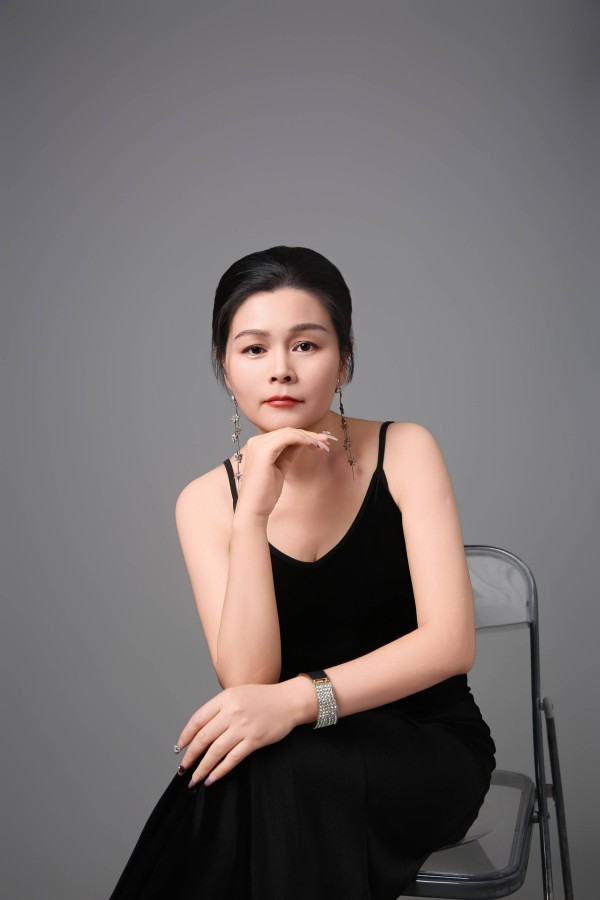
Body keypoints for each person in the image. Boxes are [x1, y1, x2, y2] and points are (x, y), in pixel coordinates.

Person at [109, 245, 496, 900]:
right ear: (225, 367)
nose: (280, 369)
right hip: (293, 755)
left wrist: (294, 703)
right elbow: (247, 679)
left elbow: (449, 645)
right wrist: (252, 513)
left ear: (344, 360)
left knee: (246, 769)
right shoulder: (205, 502)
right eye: (254, 349)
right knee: (249, 768)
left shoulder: (405, 450)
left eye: (306, 345)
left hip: (425, 745)